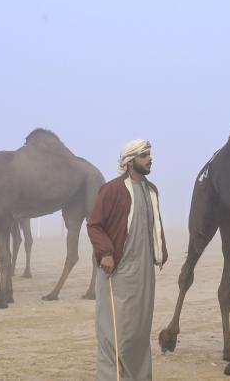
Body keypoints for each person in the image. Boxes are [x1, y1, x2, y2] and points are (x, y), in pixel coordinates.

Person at [87, 139, 168, 380]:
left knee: (139, 332)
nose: (149, 159)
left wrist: (161, 249)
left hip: (144, 273)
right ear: (130, 162)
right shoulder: (112, 190)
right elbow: (94, 225)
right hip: (118, 271)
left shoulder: (151, 190)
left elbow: (153, 227)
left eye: (149, 155)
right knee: (116, 332)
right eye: (144, 156)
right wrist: (106, 253)